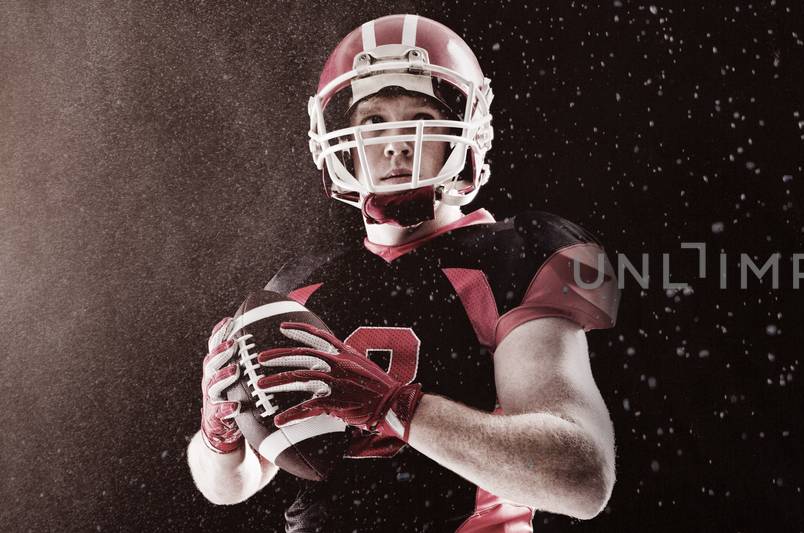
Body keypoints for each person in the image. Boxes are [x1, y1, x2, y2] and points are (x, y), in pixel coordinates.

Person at [185, 14, 620, 532]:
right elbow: (231, 485)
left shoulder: (515, 255)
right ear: (342, 140)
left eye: (420, 115)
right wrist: (221, 433)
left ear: (465, 134)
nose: (396, 142)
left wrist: (394, 407)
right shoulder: (300, 282)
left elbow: (581, 477)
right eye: (373, 122)